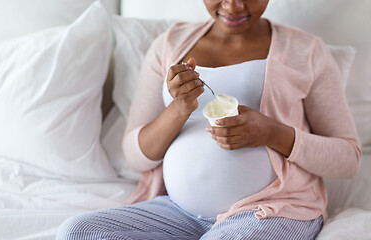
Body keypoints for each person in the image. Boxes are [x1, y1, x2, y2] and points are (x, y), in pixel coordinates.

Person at [57, 0, 362, 239]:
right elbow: (136, 157)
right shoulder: (169, 45)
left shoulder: (307, 51)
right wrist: (178, 109)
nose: (233, 6)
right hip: (178, 214)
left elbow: (348, 158)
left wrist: (273, 133)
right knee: (78, 232)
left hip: (270, 212)